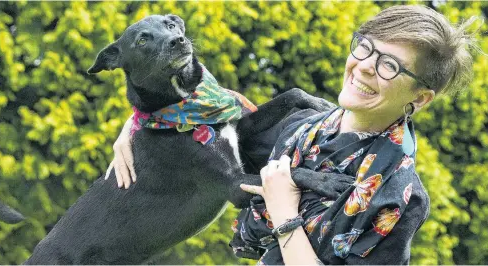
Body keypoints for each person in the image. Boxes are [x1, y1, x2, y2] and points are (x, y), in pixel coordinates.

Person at [105, 5, 479, 264]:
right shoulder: (300, 127)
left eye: (390, 65)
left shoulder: (399, 198)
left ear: (420, 98)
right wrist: (138, 123)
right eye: (365, 47)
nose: (364, 67)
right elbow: (204, 122)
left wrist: (284, 212)